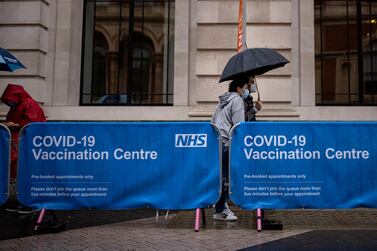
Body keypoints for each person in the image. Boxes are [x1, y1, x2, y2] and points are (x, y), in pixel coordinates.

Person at [211, 77, 249, 221]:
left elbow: (213, 121)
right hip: (228, 143)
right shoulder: (237, 100)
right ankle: (220, 210)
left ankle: (220, 207)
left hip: (217, 142)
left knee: (221, 176)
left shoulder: (222, 101)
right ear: (239, 88)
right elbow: (239, 125)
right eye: (247, 86)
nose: (248, 90)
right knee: (227, 177)